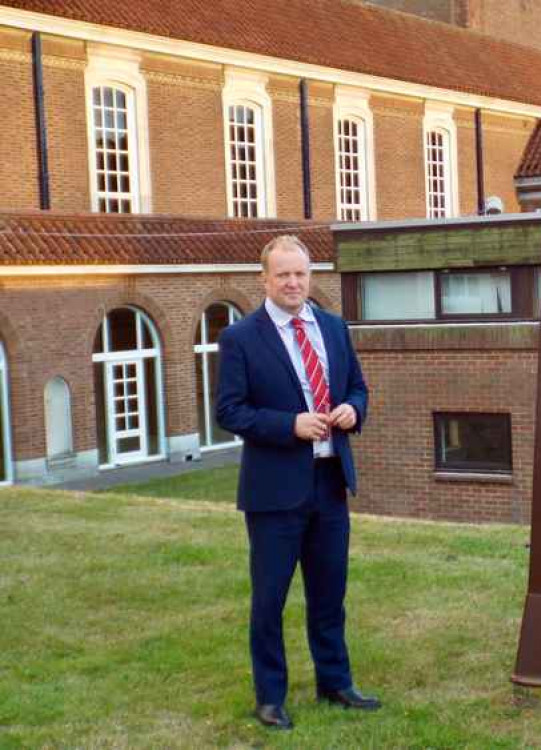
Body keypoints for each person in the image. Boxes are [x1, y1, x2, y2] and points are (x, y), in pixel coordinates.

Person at [216, 235, 378, 731]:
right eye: (283, 274)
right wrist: (290, 425)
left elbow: (357, 386)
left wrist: (353, 409)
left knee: (330, 593)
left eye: (300, 274)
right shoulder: (241, 337)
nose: (293, 283)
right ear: (264, 279)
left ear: (312, 277)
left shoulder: (333, 327)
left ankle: (336, 681)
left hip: (329, 482)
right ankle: (270, 697)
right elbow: (229, 411)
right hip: (274, 492)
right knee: (270, 600)